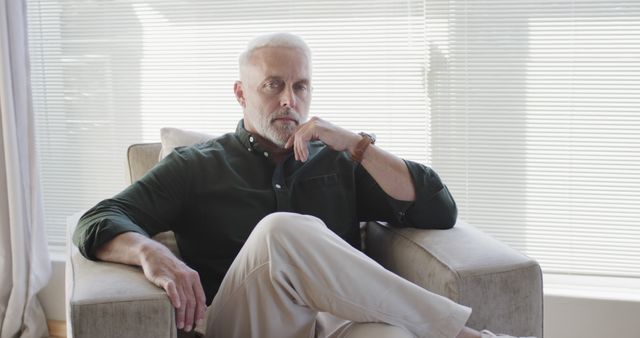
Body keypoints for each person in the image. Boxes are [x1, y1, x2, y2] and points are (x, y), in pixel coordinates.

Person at [73, 32, 534, 338]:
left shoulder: (338, 159)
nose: (288, 100)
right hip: (243, 323)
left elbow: (436, 208)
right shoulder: (197, 165)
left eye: (301, 86)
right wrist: (149, 251)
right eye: (273, 85)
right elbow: (97, 220)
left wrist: (356, 144)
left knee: (394, 334)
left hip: (331, 326)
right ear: (241, 92)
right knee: (281, 231)